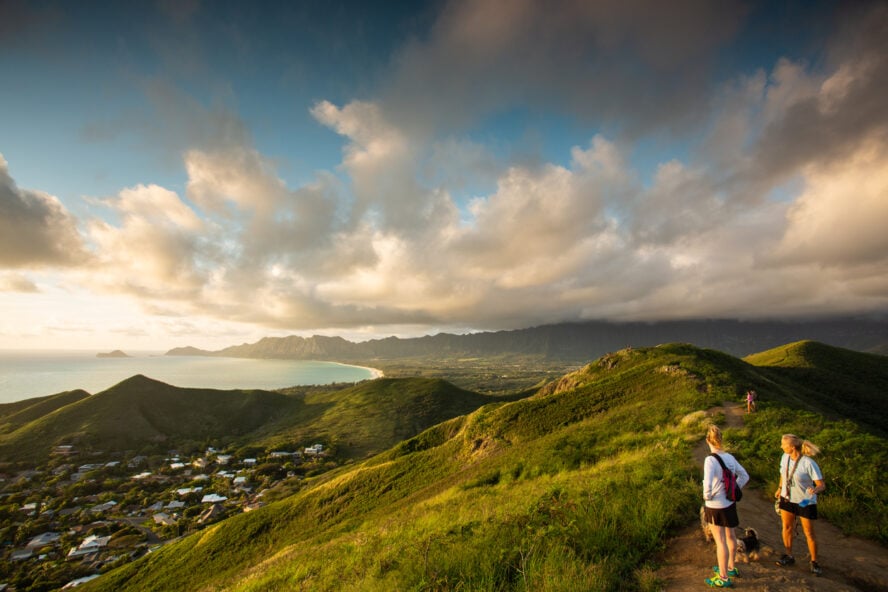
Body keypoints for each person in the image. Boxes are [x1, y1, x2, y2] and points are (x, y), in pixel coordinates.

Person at [702, 425, 750, 588]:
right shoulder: (729, 457)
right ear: (721, 440)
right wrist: (734, 488)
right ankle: (730, 568)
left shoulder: (710, 460)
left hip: (715, 505)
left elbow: (707, 485)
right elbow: (745, 475)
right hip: (729, 503)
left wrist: (707, 495)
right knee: (730, 537)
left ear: (708, 440)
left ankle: (722, 577)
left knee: (720, 541)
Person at [775, 434, 826, 575]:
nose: (781, 446)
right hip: (787, 498)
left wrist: (815, 489)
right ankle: (789, 555)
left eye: (783, 444)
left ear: (792, 447)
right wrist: (780, 488)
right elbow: (782, 474)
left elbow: (821, 484)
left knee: (808, 532)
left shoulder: (808, 463)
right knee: (787, 527)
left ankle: (814, 561)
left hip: (804, 500)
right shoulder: (784, 457)